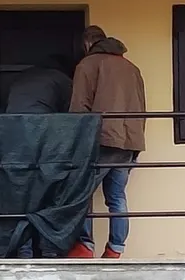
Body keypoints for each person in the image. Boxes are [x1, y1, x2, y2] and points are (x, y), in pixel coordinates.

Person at [67, 25, 145, 259]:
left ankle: (84, 246)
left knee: (81, 194)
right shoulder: (132, 69)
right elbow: (141, 108)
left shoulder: (87, 65)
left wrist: (73, 143)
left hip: (100, 140)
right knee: (117, 197)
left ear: (87, 44)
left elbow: (79, 108)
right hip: (129, 141)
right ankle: (115, 249)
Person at [4, 54, 73, 258]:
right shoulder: (61, 79)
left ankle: (23, 250)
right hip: (42, 138)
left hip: (11, 138)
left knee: (21, 195)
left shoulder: (22, 78)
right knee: (48, 193)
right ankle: (49, 251)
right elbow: (74, 114)